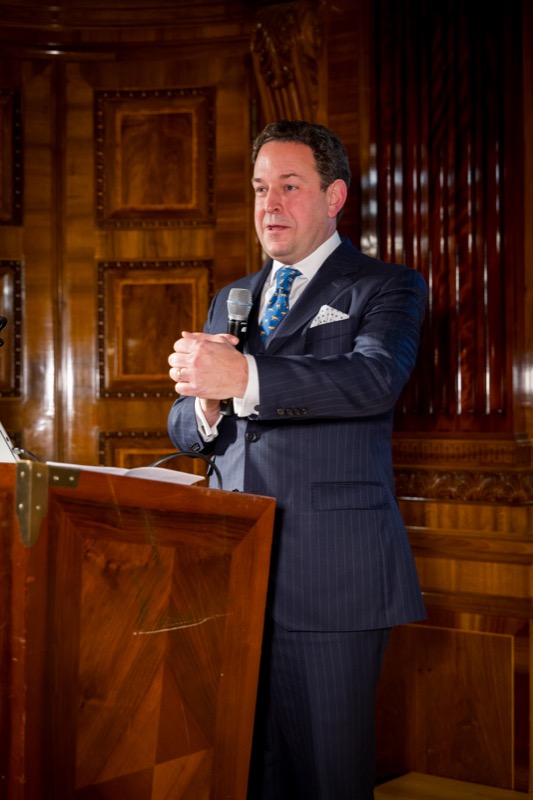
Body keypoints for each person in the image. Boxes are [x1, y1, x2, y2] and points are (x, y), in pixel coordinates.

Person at [167, 119, 427, 800]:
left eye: (289, 186)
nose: (270, 204)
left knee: (328, 779)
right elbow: (187, 430)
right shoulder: (232, 297)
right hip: (234, 577)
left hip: (333, 580)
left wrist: (245, 377)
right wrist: (206, 401)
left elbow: (373, 380)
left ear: (333, 196)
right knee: (250, 778)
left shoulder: (385, 286)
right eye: (260, 188)